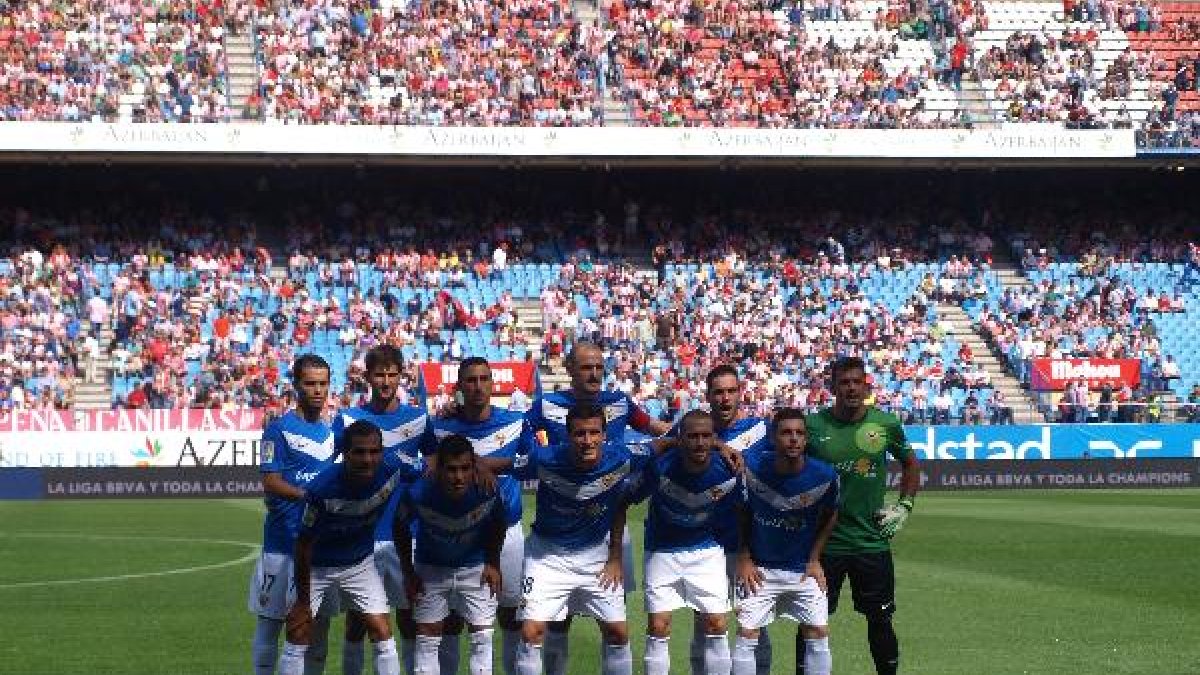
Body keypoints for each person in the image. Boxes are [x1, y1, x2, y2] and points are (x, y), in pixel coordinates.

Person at [525, 342, 672, 675]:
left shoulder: (619, 402)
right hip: (560, 523)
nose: (593, 375)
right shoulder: (548, 405)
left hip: (610, 526)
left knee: (614, 627)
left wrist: (700, 433)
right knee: (556, 622)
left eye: (598, 368)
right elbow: (519, 433)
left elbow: (654, 428)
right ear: (570, 369)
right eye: (585, 368)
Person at [490, 403, 655, 675]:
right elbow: (506, 464)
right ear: (568, 435)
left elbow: (666, 445)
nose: (587, 441)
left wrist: (615, 557)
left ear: (604, 434)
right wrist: (478, 467)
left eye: (594, 433)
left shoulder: (622, 456)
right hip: (546, 557)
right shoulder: (544, 460)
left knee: (617, 632)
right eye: (580, 434)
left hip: (597, 558)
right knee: (531, 633)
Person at [804, 357, 920, 675]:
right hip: (823, 547)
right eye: (844, 382)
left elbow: (911, 463)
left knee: (880, 620)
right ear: (833, 387)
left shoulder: (885, 423)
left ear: (866, 385)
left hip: (871, 542)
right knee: (811, 623)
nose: (851, 388)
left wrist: (904, 505)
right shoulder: (813, 426)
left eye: (857, 381)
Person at [278, 420, 422, 675]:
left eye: (374, 451)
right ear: (345, 453)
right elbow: (303, 546)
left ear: (382, 451)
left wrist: (479, 467)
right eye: (359, 452)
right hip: (317, 567)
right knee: (299, 631)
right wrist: (303, 601)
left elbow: (436, 467)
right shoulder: (321, 490)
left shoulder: (395, 467)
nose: (368, 459)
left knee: (382, 632)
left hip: (359, 564)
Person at [332, 345, 443, 675]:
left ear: (401, 376)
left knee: (409, 617)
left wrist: (417, 468)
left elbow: (435, 466)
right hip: (362, 536)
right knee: (358, 622)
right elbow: (338, 470)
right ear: (367, 377)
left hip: (405, 537)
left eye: (391, 374)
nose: (385, 381)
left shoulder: (419, 418)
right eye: (379, 374)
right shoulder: (350, 418)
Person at [430, 357, 534, 674]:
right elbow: (427, 468)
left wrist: (490, 465)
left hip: (508, 533)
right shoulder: (439, 426)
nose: (477, 386)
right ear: (459, 387)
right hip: (456, 534)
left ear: (493, 384)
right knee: (453, 620)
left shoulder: (516, 422)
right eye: (470, 380)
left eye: (483, 379)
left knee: (510, 614)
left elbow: (531, 463)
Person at [395, 434, 521, 675]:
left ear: (474, 468)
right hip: (430, 568)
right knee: (427, 638)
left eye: (465, 468)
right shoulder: (418, 493)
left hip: (474, 567)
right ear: (438, 469)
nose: (459, 477)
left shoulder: (488, 490)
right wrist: (408, 572)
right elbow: (399, 527)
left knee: (482, 637)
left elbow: (500, 523)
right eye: (451, 469)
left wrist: (493, 562)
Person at [734, 408, 839, 675]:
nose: (793, 439)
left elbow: (831, 514)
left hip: (802, 570)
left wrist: (815, 559)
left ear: (806, 440)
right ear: (773, 437)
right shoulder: (752, 467)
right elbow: (741, 512)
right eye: (786, 433)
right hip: (760, 570)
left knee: (818, 632)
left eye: (799, 433)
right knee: (747, 634)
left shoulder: (825, 476)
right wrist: (744, 558)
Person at [632, 409, 739, 675]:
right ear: (680, 439)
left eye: (706, 436)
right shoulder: (658, 467)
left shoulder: (729, 470)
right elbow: (627, 495)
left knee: (716, 625)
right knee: (658, 626)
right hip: (662, 550)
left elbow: (744, 513)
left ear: (714, 439)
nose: (700, 443)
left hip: (707, 550)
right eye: (692, 436)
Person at [249, 354, 336, 675]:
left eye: (323, 384)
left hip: (319, 551)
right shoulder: (278, 430)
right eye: (310, 383)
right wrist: (309, 496)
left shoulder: (332, 433)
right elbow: (270, 481)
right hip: (282, 545)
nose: (317, 390)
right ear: (296, 385)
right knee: (270, 625)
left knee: (317, 629)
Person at [690, 364, 771, 675]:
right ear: (708, 396)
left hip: (751, 542)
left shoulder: (762, 430)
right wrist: (715, 444)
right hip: (705, 542)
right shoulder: (695, 433)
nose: (725, 398)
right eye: (718, 392)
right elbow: (663, 444)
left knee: (753, 622)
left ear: (741, 393)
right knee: (706, 622)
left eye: (731, 391)